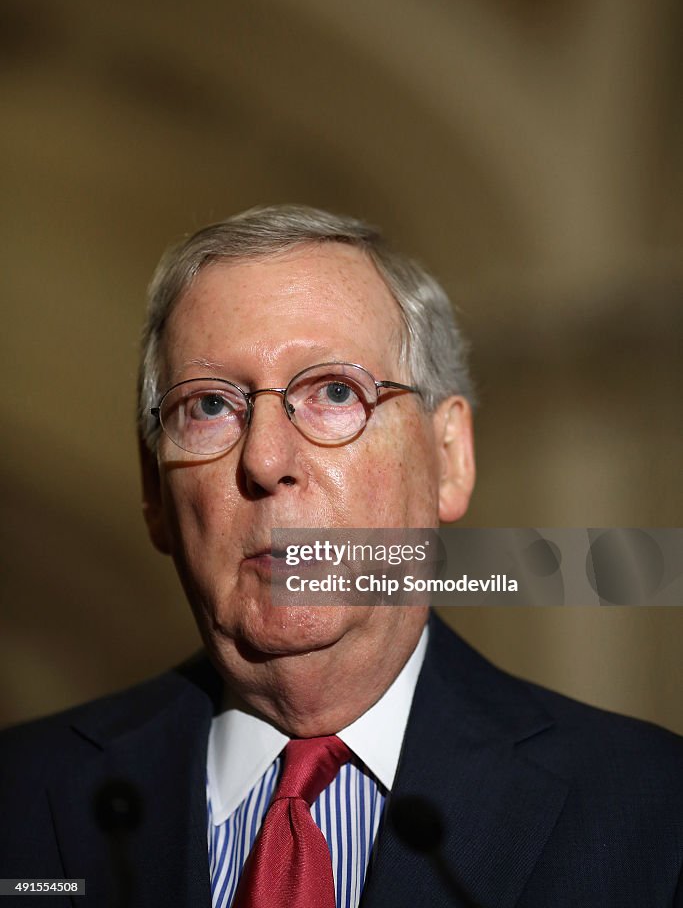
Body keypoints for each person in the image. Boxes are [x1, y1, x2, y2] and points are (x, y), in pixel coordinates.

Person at [1, 205, 682, 907]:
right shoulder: (20, 799)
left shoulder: (649, 809)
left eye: (334, 392)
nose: (265, 459)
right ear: (154, 492)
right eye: (208, 406)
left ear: (448, 458)